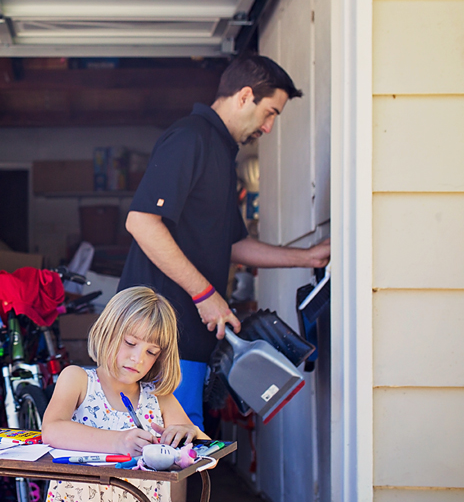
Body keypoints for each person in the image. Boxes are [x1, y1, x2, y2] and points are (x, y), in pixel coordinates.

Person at [118, 54, 331, 436]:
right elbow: (142, 222)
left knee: (181, 451)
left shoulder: (221, 153)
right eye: (270, 113)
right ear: (245, 95)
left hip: (187, 343)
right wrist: (204, 294)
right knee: (166, 457)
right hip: (155, 341)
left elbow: (233, 244)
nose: (268, 127)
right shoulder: (191, 138)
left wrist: (307, 256)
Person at [42, 286, 210, 502]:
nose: (138, 359)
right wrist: (119, 442)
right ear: (107, 331)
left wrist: (189, 434)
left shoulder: (159, 397)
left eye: (151, 352)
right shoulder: (78, 380)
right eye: (130, 343)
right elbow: (51, 430)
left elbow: (205, 445)